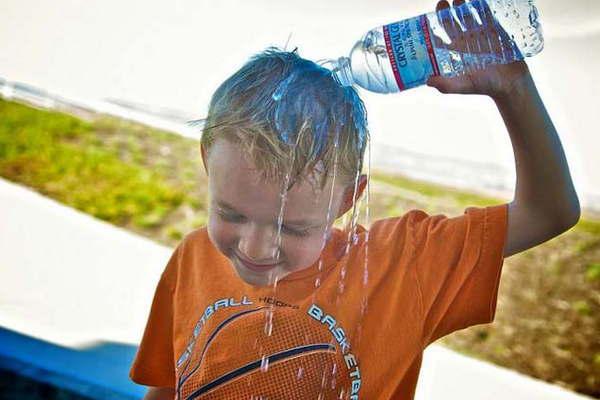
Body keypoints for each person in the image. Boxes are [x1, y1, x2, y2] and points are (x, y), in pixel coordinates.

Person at [129, 1, 580, 398]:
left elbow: (549, 212)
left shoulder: (401, 268)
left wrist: (514, 90)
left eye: (292, 226)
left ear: (348, 198)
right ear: (208, 161)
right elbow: (170, 385)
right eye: (231, 214)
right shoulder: (192, 258)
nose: (255, 247)